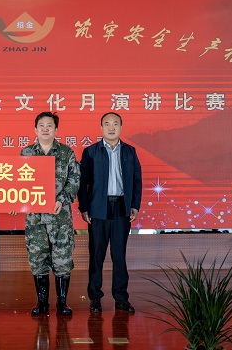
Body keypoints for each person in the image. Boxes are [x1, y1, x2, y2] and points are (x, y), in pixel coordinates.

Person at [78, 112, 142, 313]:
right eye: (107, 124)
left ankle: (121, 298)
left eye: (115, 124)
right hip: (98, 208)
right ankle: (95, 298)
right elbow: (82, 182)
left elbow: (137, 181)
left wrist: (135, 205)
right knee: (96, 255)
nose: (111, 127)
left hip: (122, 208)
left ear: (121, 127)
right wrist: (84, 207)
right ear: (101, 128)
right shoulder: (91, 152)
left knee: (119, 255)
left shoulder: (130, 151)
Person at [19, 111, 80, 316]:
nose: (45, 129)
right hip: (35, 219)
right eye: (42, 125)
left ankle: (62, 303)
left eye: (50, 125)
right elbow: (18, 183)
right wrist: (14, 201)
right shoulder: (26, 153)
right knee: (37, 259)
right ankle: (42, 302)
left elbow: (74, 180)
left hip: (59, 218)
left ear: (56, 129)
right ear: (35, 129)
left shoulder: (66, 152)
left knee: (62, 259)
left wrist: (61, 200)